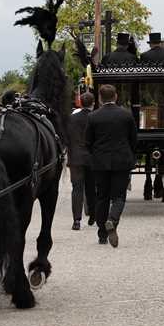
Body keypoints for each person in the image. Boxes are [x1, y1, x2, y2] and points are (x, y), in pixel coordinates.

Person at [85, 83, 138, 247]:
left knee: (102, 197)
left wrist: (95, 154)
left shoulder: (93, 117)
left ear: (100, 99)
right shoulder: (126, 115)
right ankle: (112, 221)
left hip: (100, 162)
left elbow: (88, 141)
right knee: (119, 197)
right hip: (121, 161)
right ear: (116, 97)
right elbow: (133, 139)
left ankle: (101, 234)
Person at [67, 91, 96, 230]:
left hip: (76, 158)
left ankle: (76, 220)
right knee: (92, 188)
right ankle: (93, 215)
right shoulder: (95, 118)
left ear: (80, 103)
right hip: (92, 158)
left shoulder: (71, 119)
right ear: (93, 103)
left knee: (77, 189)